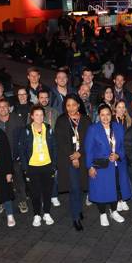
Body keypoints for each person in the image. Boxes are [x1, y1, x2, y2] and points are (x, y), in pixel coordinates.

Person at [85, 104, 132, 226]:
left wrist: (118, 155)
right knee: (101, 190)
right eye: (102, 115)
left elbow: (124, 146)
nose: (105, 117)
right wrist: (89, 166)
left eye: (108, 114)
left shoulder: (118, 127)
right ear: (99, 116)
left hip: (116, 165)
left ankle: (114, 211)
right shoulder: (93, 129)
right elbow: (88, 150)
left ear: (111, 114)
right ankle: (102, 214)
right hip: (100, 166)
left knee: (115, 188)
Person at [55, 95, 89, 231]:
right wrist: (73, 157)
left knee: (82, 186)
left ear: (78, 105)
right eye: (68, 105)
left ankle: (79, 208)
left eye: (73, 105)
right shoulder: (61, 120)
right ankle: (75, 217)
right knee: (74, 188)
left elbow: (89, 139)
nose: (71, 108)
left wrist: (79, 153)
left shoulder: (86, 120)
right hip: (68, 159)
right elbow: (61, 141)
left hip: (84, 157)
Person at [19, 106, 57, 227]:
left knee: (47, 191)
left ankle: (46, 213)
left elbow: (54, 148)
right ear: (32, 116)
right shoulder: (26, 130)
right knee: (35, 193)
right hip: (33, 166)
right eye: (37, 115)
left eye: (41, 115)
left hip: (47, 165)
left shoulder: (49, 128)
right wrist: (25, 168)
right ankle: (36, 215)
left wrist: (54, 165)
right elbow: (22, 150)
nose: (39, 117)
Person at [0, 98, 29, 215]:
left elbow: (24, 139)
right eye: (0, 107)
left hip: (15, 157)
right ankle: (1, 202)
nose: (3, 109)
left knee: (19, 180)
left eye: (5, 106)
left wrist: (21, 155)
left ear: (9, 108)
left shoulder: (17, 120)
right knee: (0, 181)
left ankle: (22, 201)